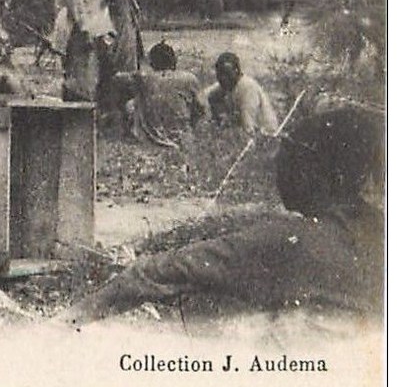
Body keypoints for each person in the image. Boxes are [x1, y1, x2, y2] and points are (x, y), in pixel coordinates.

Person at [69, 103, 382, 322]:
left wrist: (57, 328)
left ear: (326, 174)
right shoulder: (378, 231)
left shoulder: (287, 243)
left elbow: (150, 275)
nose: (280, 166)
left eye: (293, 158)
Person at [115, 40, 206, 147]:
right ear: (174, 61)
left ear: (152, 63)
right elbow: (203, 109)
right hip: (182, 138)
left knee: (131, 104)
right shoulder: (189, 78)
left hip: (151, 140)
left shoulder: (144, 78)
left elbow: (118, 78)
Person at [97, 0, 143, 119]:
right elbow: (99, 10)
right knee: (109, 77)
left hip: (128, 31)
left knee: (128, 77)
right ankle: (108, 116)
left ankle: (123, 117)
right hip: (112, 34)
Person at [204, 51, 282, 134]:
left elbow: (249, 125)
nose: (223, 78)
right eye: (220, 74)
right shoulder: (225, 85)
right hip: (244, 129)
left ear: (237, 71)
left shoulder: (247, 88)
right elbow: (204, 95)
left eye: (227, 74)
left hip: (265, 134)